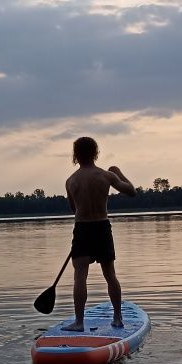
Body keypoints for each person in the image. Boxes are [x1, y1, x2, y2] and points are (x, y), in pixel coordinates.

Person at [63, 136, 136, 331]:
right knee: (110, 274)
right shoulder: (106, 176)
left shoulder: (71, 181)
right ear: (95, 153)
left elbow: (74, 210)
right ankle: (118, 318)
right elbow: (131, 191)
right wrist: (118, 172)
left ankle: (79, 322)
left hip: (82, 229)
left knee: (80, 276)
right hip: (102, 227)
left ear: (75, 155)